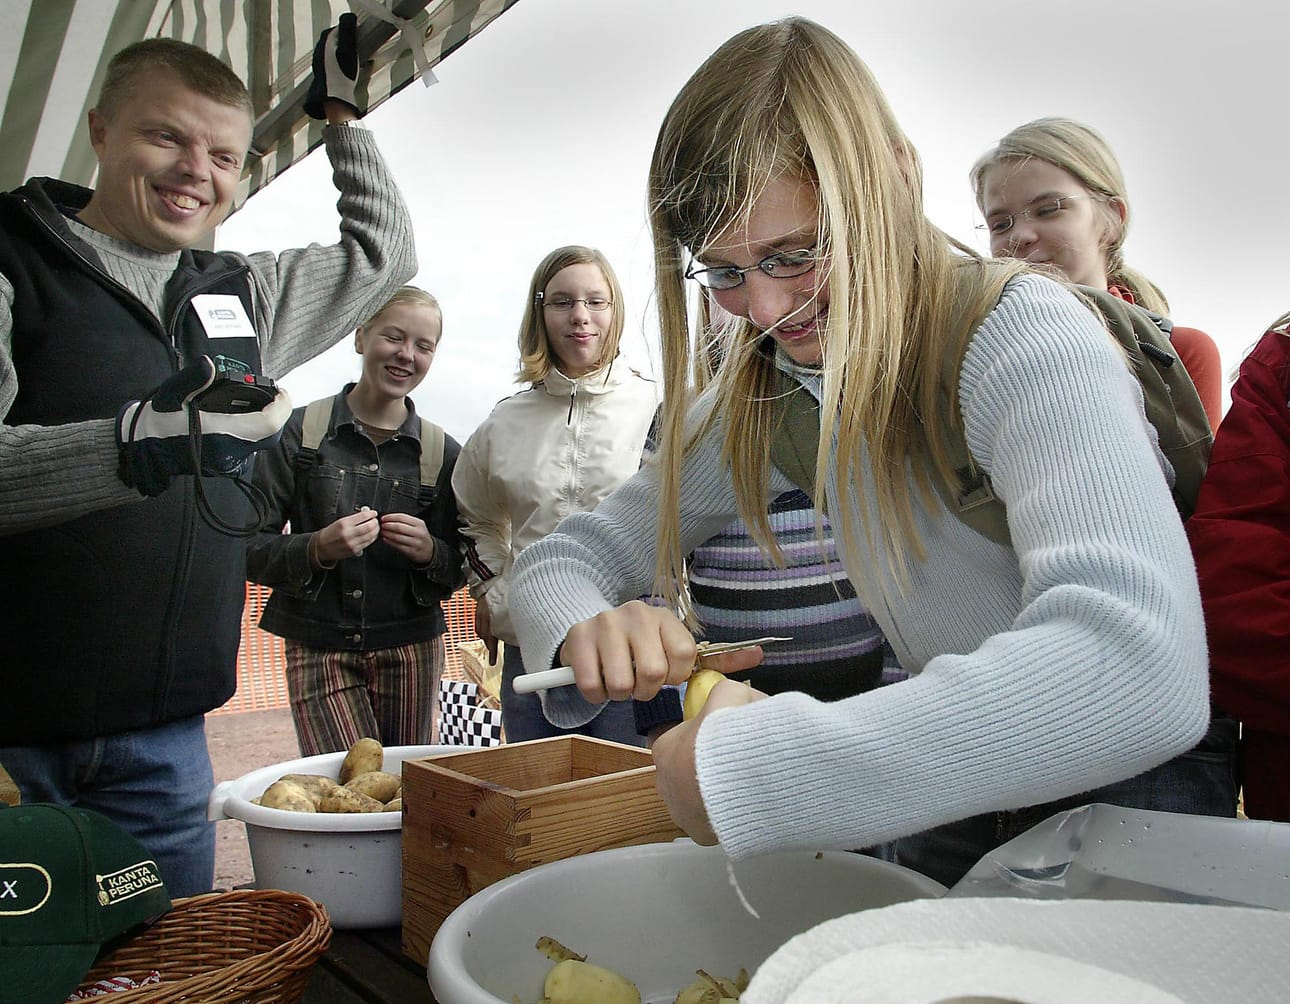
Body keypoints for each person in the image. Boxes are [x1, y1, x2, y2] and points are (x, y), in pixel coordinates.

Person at [507, 17, 1214, 889]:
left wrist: (760, 769)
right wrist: (587, 625)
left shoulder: (1021, 334)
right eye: (723, 273)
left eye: (796, 253)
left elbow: (1140, 670)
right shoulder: (769, 395)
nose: (765, 309)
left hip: (1133, 787)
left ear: (894, 175)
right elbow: (565, 556)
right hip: (955, 776)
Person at [0, 20, 416, 897]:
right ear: (101, 130)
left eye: (225, 156)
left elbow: (383, 260)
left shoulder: (236, 290)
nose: (199, 172)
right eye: (167, 137)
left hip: (164, 741)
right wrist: (132, 445)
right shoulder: (13, 260)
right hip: (15, 744)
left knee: (175, 967)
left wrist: (343, 119)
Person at [452, 245, 657, 745]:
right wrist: (500, 596)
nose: (580, 317)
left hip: (631, 648)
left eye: (596, 301)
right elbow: (471, 518)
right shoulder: (504, 421)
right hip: (533, 645)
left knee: (628, 802)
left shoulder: (659, 405)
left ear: (617, 311)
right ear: (539, 313)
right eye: (562, 302)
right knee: (537, 797)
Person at [247, 287, 463, 756]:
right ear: (361, 336)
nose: (407, 355)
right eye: (394, 337)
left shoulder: (443, 453)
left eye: (423, 346)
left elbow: (464, 563)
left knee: (405, 796)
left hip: (411, 651)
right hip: (318, 648)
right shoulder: (298, 434)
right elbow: (247, 547)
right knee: (345, 798)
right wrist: (317, 547)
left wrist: (432, 551)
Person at [971, 117, 1224, 429]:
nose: (1021, 235)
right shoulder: (972, 355)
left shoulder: (1178, 353)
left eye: (1048, 209)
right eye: (1000, 224)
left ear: (1111, 220)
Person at [1187, 314, 1290, 822]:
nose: (1020, 238)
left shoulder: (1184, 348)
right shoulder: (1282, 364)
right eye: (998, 226)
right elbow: (1233, 589)